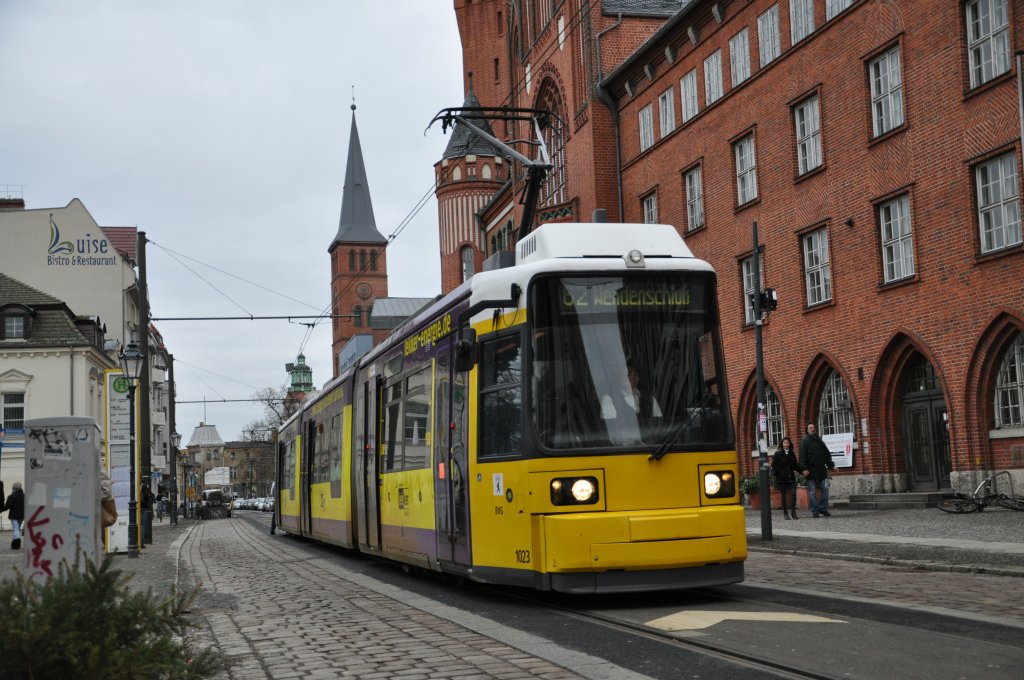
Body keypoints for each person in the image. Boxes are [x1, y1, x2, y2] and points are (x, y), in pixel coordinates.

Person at [800, 423, 836, 518]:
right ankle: (815, 510)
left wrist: (831, 465)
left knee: (825, 489)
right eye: (810, 428)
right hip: (810, 471)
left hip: (821, 470)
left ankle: (822, 508)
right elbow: (802, 456)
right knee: (812, 492)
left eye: (813, 427)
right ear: (807, 430)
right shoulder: (805, 442)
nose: (812, 429)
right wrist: (804, 469)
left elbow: (826, 454)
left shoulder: (819, 440)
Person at [771, 437, 800, 520]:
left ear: (789, 444)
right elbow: (774, 465)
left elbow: (795, 465)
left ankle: (793, 512)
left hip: (791, 477)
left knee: (793, 494)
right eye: (785, 442)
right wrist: (777, 474)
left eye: (787, 442)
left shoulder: (792, 453)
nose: (786, 444)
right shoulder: (777, 454)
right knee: (783, 496)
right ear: (782, 444)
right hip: (782, 478)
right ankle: (785, 513)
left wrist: (803, 471)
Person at [2, 481, 25, 549]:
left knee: (16, 529)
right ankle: (15, 543)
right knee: (17, 529)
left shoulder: (11, 496)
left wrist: (1, 509)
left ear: (13, 488)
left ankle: (16, 544)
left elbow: (7, 506)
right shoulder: (25, 496)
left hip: (14, 516)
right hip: (22, 515)